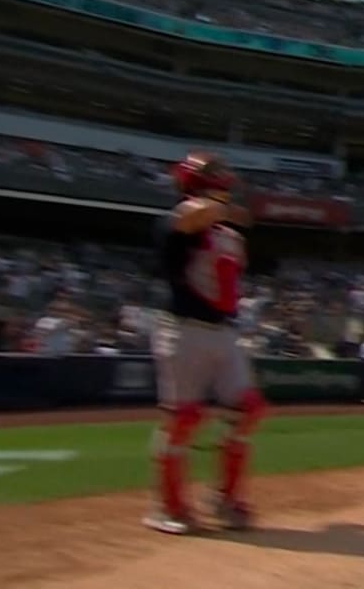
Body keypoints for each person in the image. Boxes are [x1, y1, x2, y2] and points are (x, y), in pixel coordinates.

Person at [145, 151, 269, 534]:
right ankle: (169, 507)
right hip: (183, 328)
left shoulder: (227, 232)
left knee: (248, 409)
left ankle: (226, 498)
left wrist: (228, 211)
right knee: (184, 418)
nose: (224, 178)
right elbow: (196, 216)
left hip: (224, 330)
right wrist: (222, 206)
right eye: (214, 174)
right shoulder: (179, 220)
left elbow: (240, 220)